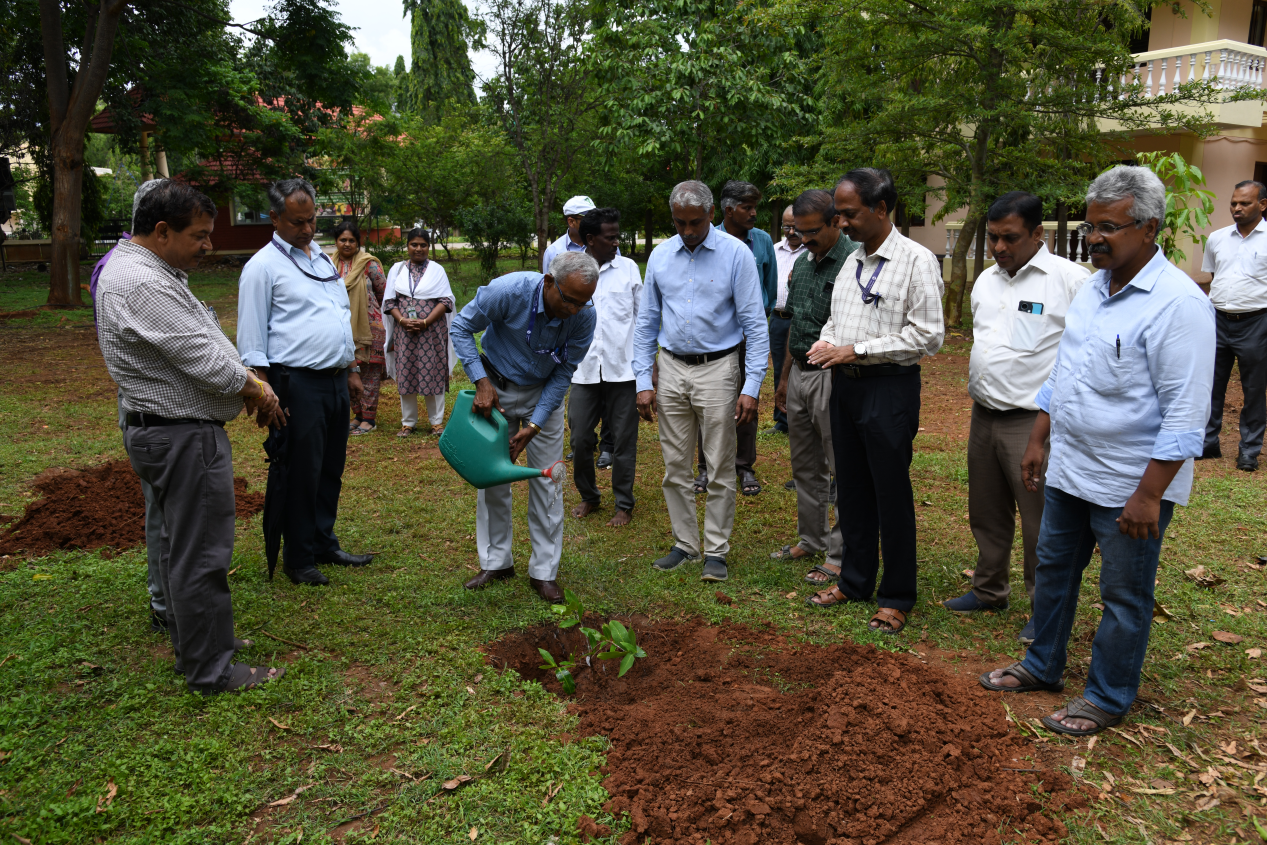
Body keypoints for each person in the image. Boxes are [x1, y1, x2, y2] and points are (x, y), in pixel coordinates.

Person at [981, 166, 1215, 737]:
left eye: (1109, 227)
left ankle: (1107, 697)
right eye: (1090, 227)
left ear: (1150, 227)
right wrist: (1039, 440)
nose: (1094, 239)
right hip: (1071, 466)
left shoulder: (1178, 305)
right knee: (1055, 572)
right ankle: (1042, 664)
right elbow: (1066, 372)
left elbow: (1187, 413)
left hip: (1131, 484)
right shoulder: (1092, 289)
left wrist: (1148, 495)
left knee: (1124, 596)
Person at [97, 180, 286, 694]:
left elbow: (198, 340)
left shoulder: (150, 270)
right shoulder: (140, 283)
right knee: (200, 553)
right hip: (181, 438)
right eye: (200, 235)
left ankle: (198, 645)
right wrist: (257, 390)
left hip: (169, 433)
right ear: (162, 231)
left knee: (179, 548)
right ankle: (209, 668)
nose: (209, 245)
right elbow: (203, 359)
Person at [942, 192, 1089, 645]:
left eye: (1010, 238)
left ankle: (1043, 608)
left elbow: (1082, 357)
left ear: (1037, 234)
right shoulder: (986, 281)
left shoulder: (1069, 281)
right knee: (986, 510)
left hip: (1034, 421)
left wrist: (1046, 432)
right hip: (984, 413)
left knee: (1040, 520)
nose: (999, 248)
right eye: (993, 238)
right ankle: (989, 590)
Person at [804, 168, 944, 636]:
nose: (840, 223)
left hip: (889, 388)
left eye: (849, 213)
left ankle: (897, 595)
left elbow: (928, 335)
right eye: (837, 215)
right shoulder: (852, 261)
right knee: (853, 488)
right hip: (846, 384)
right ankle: (855, 580)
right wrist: (828, 345)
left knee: (890, 494)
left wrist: (856, 350)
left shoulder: (916, 260)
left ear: (881, 209)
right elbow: (836, 320)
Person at [237, 178, 375, 587]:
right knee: (300, 470)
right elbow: (251, 338)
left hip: (333, 380)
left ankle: (322, 542)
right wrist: (264, 390)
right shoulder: (262, 267)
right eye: (298, 222)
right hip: (295, 383)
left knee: (330, 466)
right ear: (275, 217)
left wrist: (350, 369)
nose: (308, 229)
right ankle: (298, 558)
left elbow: (337, 313)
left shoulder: (319, 259)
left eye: (312, 220)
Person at [634, 180, 769, 583]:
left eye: (695, 222)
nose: (688, 231)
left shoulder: (736, 254)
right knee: (675, 465)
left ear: (712, 215)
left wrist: (751, 386)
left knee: (720, 464)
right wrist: (643, 379)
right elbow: (646, 323)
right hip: (671, 367)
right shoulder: (660, 256)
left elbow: (755, 326)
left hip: (719, 368)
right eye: (680, 222)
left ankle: (717, 549)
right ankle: (685, 544)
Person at [452, 251, 599, 603]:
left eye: (584, 302)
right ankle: (496, 562)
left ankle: (544, 572)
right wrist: (481, 381)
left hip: (542, 393)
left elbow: (565, 371)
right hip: (495, 388)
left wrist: (535, 424)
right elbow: (460, 326)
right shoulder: (509, 291)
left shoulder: (584, 316)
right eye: (570, 300)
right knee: (492, 476)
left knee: (548, 478)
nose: (575, 310)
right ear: (549, 282)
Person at [90, 178, 171, 632]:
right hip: (150, 409)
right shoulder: (123, 273)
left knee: (170, 512)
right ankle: (163, 603)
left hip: (160, 409)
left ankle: (173, 596)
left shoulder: (149, 268)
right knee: (162, 510)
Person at [770, 189, 858, 585]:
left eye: (810, 232)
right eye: (796, 232)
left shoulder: (855, 262)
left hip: (835, 376)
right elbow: (797, 323)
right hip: (801, 373)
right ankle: (812, 539)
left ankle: (840, 554)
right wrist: (785, 377)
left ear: (835, 222)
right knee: (805, 465)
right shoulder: (803, 265)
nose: (802, 240)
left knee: (842, 468)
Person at [694, 180, 779, 497]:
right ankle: (706, 468)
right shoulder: (708, 239)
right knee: (708, 404)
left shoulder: (762, 241)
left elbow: (767, 292)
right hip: (713, 339)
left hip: (747, 339)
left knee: (747, 400)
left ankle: (743, 466)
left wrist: (753, 326)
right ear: (728, 210)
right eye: (747, 207)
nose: (754, 213)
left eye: (755, 206)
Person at [568, 208, 643, 527]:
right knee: (580, 438)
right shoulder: (569, 270)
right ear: (589, 239)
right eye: (610, 237)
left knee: (625, 440)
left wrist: (646, 367)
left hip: (623, 371)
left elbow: (643, 320)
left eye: (617, 235)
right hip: (582, 371)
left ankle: (624, 503)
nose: (617, 242)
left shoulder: (628, 270)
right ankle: (589, 496)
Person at [1199, 179, 1267, 472]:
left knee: (1253, 388)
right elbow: (1214, 278)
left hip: (1257, 322)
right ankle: (1208, 442)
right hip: (1217, 320)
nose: (1236, 208)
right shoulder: (1216, 238)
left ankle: (1249, 449)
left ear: (1262, 204)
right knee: (1210, 384)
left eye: (1245, 203)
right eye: (1233, 203)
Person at [383, 228, 455, 437]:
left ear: (428, 247)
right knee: (406, 372)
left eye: (423, 245)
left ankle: (436, 423)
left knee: (433, 372)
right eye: (414, 244)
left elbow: (446, 301)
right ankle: (408, 423)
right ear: (407, 246)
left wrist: (425, 322)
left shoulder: (437, 270)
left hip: (432, 333)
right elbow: (389, 301)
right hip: (405, 333)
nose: (418, 249)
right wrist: (403, 320)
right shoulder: (397, 270)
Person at [332, 221, 389, 436]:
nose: (347, 244)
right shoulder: (328, 265)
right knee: (346, 371)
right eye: (342, 240)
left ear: (358, 242)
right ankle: (357, 416)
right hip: (340, 328)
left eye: (351, 240)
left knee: (370, 374)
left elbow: (384, 294)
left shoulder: (369, 265)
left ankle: (369, 419)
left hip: (370, 328)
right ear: (336, 242)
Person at [769, 204, 806, 435]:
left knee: (801, 369)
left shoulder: (811, 251)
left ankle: (802, 420)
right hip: (778, 318)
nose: (791, 232)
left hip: (801, 319)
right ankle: (782, 421)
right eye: (786, 227)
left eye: (796, 227)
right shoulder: (774, 250)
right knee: (779, 369)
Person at [542, 195, 596, 273]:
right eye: (588, 218)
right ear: (571, 222)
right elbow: (548, 283)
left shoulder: (606, 245)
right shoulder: (554, 252)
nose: (594, 222)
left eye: (595, 217)